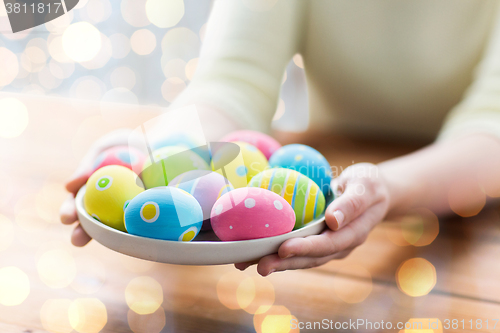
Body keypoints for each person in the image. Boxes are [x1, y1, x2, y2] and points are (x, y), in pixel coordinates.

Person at [60, 0, 500, 277]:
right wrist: (158, 150)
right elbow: (234, 79)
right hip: (339, 172)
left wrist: (385, 186)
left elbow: (492, 129)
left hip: (473, 228)